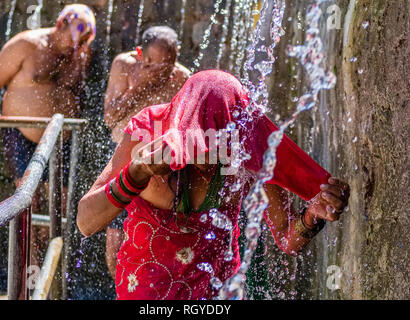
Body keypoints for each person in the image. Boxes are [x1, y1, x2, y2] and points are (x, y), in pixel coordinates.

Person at [77, 70, 350, 300]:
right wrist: (134, 175)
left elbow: (287, 238)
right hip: (147, 291)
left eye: (224, 145)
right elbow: (86, 222)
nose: (215, 156)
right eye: (205, 145)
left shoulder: (249, 148)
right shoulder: (147, 133)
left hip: (217, 292)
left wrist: (312, 216)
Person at [0, 4, 96, 265]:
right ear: (60, 24)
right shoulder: (25, 44)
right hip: (22, 135)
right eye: (74, 39)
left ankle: (52, 272)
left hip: (62, 139)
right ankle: (31, 271)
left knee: (59, 208)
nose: (76, 47)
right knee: (30, 204)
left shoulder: (80, 52)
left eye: (83, 41)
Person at [103, 25, 190, 283]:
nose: (163, 74)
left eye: (168, 66)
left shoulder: (183, 77)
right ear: (141, 54)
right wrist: (138, 88)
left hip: (163, 168)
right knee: (116, 244)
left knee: (162, 244)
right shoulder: (124, 66)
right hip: (125, 158)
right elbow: (109, 118)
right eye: (155, 66)